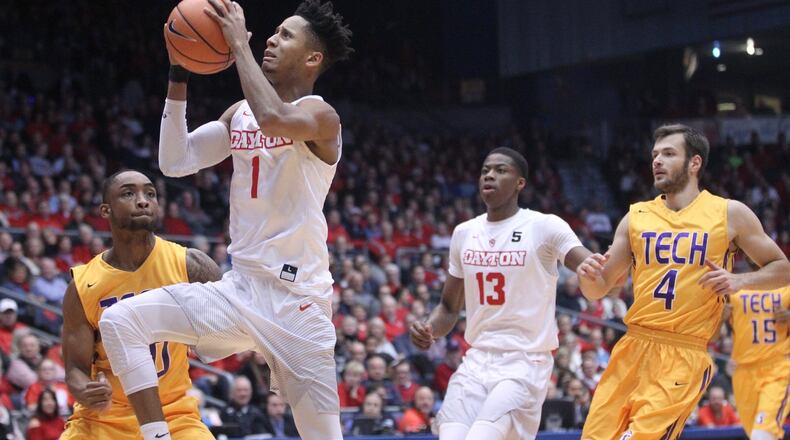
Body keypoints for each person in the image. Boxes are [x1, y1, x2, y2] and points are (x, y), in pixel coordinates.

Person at [97, 1, 353, 439]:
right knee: (120, 321)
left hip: (299, 305)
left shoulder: (320, 116)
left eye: (286, 36)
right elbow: (176, 161)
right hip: (241, 289)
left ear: (313, 58)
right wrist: (179, 74)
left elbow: (276, 118)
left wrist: (238, 45)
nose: (271, 39)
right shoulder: (241, 113)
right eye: (273, 32)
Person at [576, 124, 790, 439]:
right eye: (655, 155)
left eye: (668, 153)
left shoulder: (729, 213)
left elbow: (782, 268)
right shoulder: (636, 216)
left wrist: (739, 280)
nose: (657, 161)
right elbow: (598, 290)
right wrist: (588, 276)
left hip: (683, 352)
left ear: (694, 163)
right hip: (632, 347)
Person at [410, 147, 597, 439]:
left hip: (525, 361)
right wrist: (429, 328)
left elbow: (586, 263)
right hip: (477, 359)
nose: (490, 175)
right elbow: (448, 308)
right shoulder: (464, 233)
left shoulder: (543, 226)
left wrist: (601, 268)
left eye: (500, 170)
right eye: (485, 170)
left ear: (520, 182)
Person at [61, 170, 221, 439]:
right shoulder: (83, 285)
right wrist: (85, 391)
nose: (143, 200)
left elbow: (233, 324)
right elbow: (75, 369)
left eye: (150, 193)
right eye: (128, 193)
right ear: (105, 210)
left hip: (174, 412)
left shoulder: (191, 265)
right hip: (105, 419)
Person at [729, 284, 789, 439]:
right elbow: (713, 336)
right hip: (742, 371)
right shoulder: (731, 286)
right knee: (755, 434)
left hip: (778, 367)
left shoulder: (786, 284)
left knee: (762, 433)